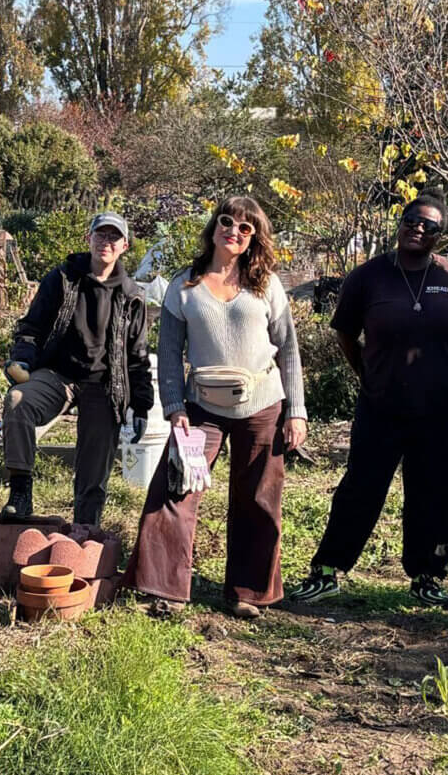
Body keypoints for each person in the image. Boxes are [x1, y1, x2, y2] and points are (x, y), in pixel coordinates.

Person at [289, 195, 448, 608]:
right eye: (412, 220)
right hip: (382, 406)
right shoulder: (368, 277)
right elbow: (345, 334)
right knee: (361, 486)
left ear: (440, 235)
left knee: (435, 491)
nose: (418, 229)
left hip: (442, 410)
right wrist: (370, 374)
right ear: (401, 222)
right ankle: (328, 570)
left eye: (429, 225)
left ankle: (427, 575)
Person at [122, 197, 307, 619]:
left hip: (262, 403)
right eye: (228, 222)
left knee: (259, 497)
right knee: (176, 487)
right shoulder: (184, 286)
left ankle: (249, 592)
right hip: (202, 406)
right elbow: (169, 354)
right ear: (214, 226)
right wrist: (174, 407)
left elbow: (289, 351)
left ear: (254, 238)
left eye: (246, 228)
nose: (235, 232)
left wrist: (296, 411)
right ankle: (163, 588)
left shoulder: (267, 285)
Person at [0, 211, 153, 525]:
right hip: (58, 375)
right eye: (101, 234)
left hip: (104, 385)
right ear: (89, 238)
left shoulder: (133, 296)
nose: (106, 242)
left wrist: (141, 405)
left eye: (114, 237)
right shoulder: (62, 279)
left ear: (125, 245)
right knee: (18, 401)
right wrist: (23, 358)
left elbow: (137, 356)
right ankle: (20, 491)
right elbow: (31, 327)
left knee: (93, 470)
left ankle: (86, 529)